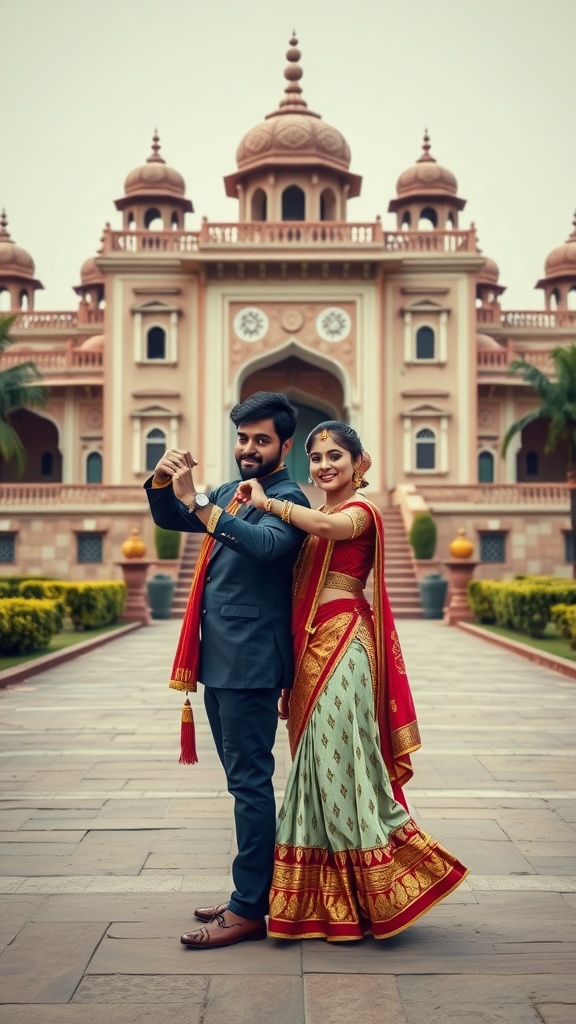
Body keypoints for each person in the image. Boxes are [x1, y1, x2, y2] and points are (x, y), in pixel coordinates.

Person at [235, 420, 468, 942]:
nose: (324, 465)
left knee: (344, 761)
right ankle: (327, 902)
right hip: (311, 648)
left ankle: (376, 890)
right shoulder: (321, 514)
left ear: (358, 462)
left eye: (335, 455)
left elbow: (328, 531)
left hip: (345, 646)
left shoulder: (360, 512)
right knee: (316, 768)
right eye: (316, 458)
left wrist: (269, 503)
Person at [145, 392, 310, 949]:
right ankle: (252, 893)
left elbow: (265, 546)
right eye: (242, 438)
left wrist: (202, 503)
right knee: (244, 785)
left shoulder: (287, 497)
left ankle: (247, 909)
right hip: (220, 656)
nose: (248, 448)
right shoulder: (229, 492)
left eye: (261, 440)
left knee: (250, 786)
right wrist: (164, 481)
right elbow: (175, 518)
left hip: (252, 662)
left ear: (284, 445)